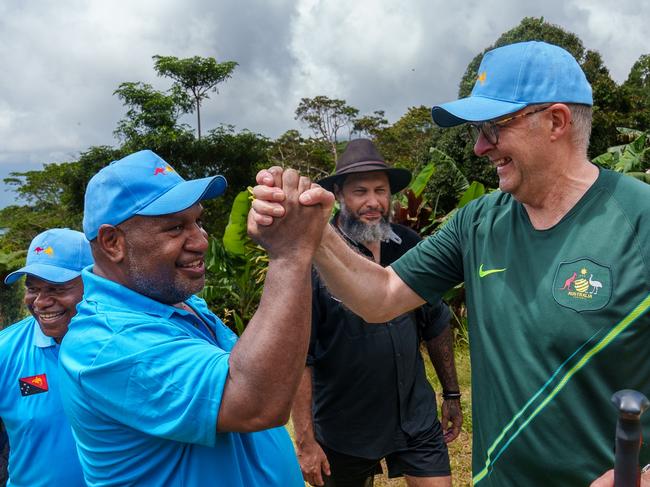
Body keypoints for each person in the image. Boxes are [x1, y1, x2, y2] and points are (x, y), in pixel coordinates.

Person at [250, 41, 650, 486]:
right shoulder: (477, 224)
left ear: (555, 121)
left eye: (492, 127)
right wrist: (316, 232)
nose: (479, 147)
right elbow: (380, 297)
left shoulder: (639, 221)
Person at [57, 149, 333, 486]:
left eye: (197, 221)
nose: (201, 241)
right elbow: (257, 402)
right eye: (175, 228)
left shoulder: (177, 302)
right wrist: (290, 254)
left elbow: (260, 367)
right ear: (113, 242)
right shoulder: (106, 343)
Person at [291, 139, 462, 487]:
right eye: (361, 191)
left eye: (381, 190)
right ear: (338, 193)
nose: (373, 202)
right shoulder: (318, 260)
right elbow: (300, 356)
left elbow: (436, 322)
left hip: (415, 418)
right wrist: (306, 442)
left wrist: (452, 393)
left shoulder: (410, 244)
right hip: (345, 427)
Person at [0, 228, 92, 486]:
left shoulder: (126, 343)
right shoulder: (5, 351)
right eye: (32, 288)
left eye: (56, 288)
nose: (40, 302)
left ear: (94, 282)